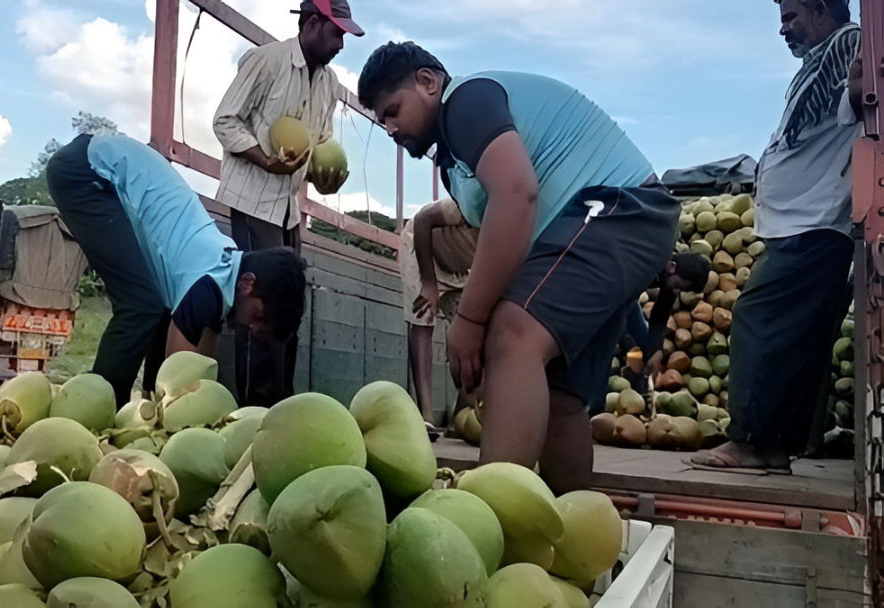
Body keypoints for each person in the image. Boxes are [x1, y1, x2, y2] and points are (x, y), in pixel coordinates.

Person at [358, 42, 681, 495]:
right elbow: (513, 242)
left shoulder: (465, 103)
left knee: (513, 335)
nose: (390, 128)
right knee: (559, 395)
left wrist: (471, 320)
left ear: (428, 82)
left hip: (620, 207)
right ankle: (568, 526)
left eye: (393, 110)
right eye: (382, 120)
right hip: (607, 224)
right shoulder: (456, 163)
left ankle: (489, 518)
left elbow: (517, 194)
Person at [692, 0, 861, 473]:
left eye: (791, 17)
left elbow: (858, 86)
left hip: (814, 222)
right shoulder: (819, 59)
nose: (784, 29)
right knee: (799, 340)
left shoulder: (845, 43)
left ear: (822, 9)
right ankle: (775, 446)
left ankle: (748, 440)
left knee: (756, 317)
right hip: (805, 223)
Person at [46, 133, 307, 407]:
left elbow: (201, 367)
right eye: (260, 318)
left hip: (101, 167)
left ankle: (125, 404)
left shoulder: (224, 274)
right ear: (248, 284)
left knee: (156, 308)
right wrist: (171, 410)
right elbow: (175, 379)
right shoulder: (208, 282)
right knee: (141, 306)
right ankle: (96, 408)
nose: (253, 328)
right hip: (86, 171)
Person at [213, 0, 363, 408]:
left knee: (288, 307)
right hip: (253, 199)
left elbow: (319, 144)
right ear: (313, 23)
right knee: (259, 308)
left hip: (289, 209)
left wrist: (324, 175)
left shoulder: (329, 84)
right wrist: (265, 160)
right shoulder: (267, 61)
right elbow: (225, 120)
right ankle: (254, 407)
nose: (341, 44)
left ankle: (282, 401)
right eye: (337, 33)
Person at [586, 252, 712, 416]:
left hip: (628, 298)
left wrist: (657, 350)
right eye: (678, 285)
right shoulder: (649, 263)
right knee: (605, 348)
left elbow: (659, 315)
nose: (675, 289)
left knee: (648, 345)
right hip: (606, 292)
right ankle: (594, 410)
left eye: (680, 289)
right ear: (671, 266)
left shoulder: (670, 279)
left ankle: (640, 396)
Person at [402, 198, 479, 428]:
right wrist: (428, 283)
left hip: (461, 269)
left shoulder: (519, 227)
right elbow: (424, 219)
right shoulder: (471, 202)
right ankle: (426, 415)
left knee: (474, 336)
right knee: (423, 318)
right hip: (422, 250)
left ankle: (461, 415)